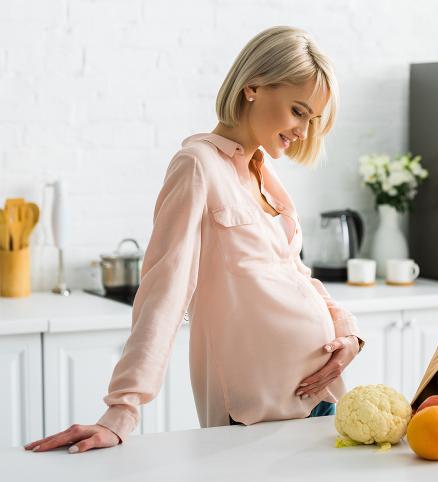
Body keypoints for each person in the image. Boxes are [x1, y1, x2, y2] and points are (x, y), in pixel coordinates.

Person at [24, 25, 364, 455]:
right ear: (253, 86)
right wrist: (122, 411)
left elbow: (296, 276)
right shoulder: (196, 166)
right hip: (253, 410)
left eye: (311, 119)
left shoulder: (266, 175)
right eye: (298, 111)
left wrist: (346, 333)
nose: (302, 130)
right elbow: (164, 289)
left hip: (322, 396)